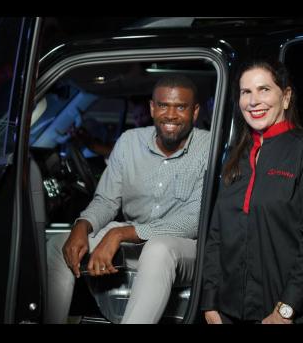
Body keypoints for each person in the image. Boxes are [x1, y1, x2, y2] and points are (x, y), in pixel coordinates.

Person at [45, 74, 210, 324]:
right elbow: (107, 200)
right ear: (152, 108)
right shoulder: (129, 142)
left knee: (158, 249)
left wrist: (120, 234)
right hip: (134, 244)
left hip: (184, 249)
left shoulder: (208, 147)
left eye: (181, 107)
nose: (171, 115)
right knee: (59, 245)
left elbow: (192, 221)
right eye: (164, 105)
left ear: (195, 112)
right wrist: (82, 225)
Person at [201, 59, 303, 324]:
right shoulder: (235, 157)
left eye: (264, 89)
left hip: (285, 313)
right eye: (246, 92)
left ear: (285, 96)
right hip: (228, 312)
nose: (253, 101)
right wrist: (210, 302)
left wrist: (286, 308)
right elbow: (217, 235)